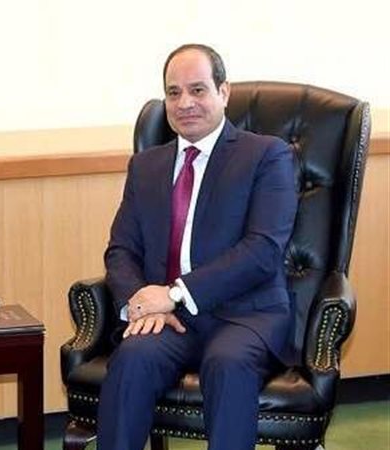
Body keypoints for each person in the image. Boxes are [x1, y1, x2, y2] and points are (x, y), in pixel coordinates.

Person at [97, 44, 297, 450]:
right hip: (168, 319)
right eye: (173, 93)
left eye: (198, 90)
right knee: (133, 358)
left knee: (227, 363)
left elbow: (262, 251)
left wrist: (173, 294)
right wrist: (141, 302)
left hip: (245, 315)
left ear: (224, 92)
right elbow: (121, 251)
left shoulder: (265, 155)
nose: (184, 103)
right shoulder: (146, 166)